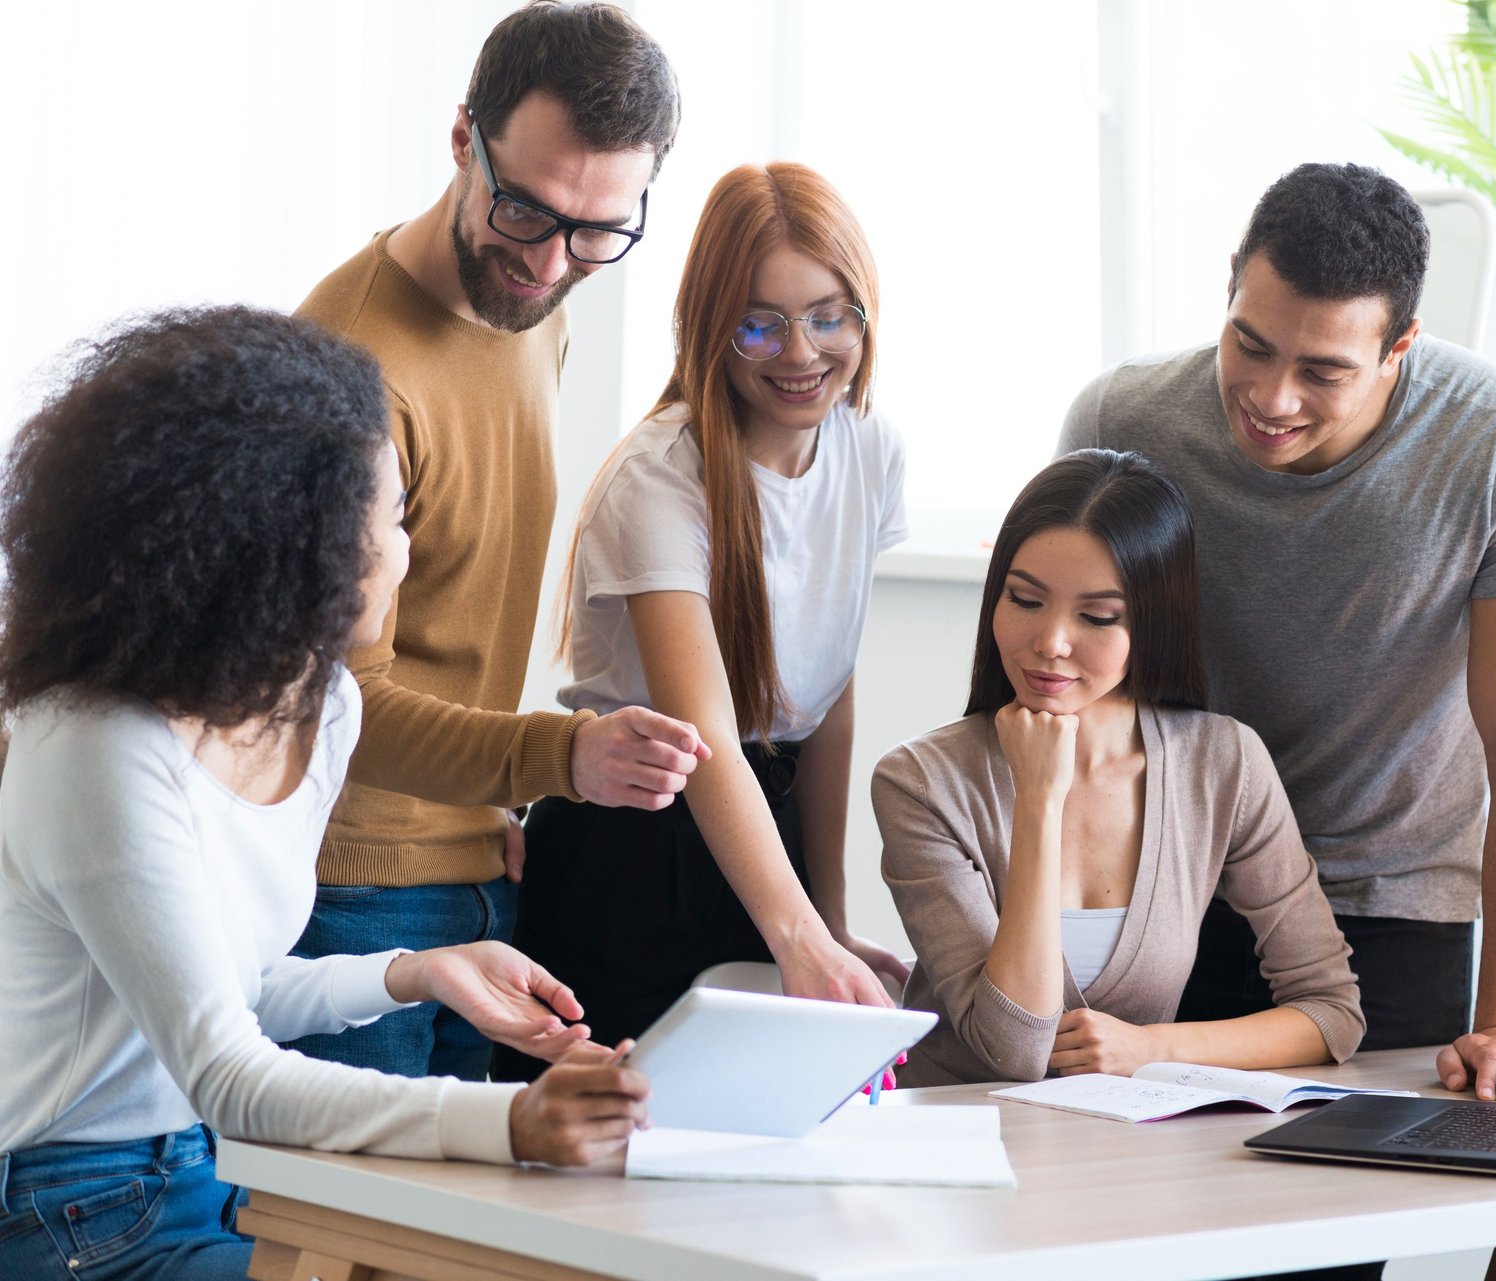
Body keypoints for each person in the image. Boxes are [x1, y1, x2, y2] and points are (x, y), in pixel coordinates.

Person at [0, 307, 651, 1281]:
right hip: (67, 1205)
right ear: (281, 545)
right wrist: (512, 1117)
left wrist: (420, 970)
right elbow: (224, 1069)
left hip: (216, 1168)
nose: (407, 550)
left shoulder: (317, 703)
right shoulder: (96, 744)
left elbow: (226, 989)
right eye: (389, 516)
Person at [1058, 163, 1496, 1104]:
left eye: (1323, 371)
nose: (1273, 398)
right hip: (1168, 890)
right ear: (1231, 283)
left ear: (1401, 347)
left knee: (1336, 1233)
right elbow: (1071, 673)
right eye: (1252, 344)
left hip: (1388, 907)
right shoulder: (1123, 418)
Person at [290, 1, 709, 1082]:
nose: (552, 259)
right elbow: (334, 699)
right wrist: (555, 757)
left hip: (481, 859)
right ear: (461, 136)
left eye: (598, 231)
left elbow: (467, 616)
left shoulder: (538, 302)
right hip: (349, 889)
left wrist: (499, 801)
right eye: (525, 211)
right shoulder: (348, 370)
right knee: (358, 1236)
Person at [495, 162, 909, 1078]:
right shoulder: (661, 475)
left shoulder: (870, 450)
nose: (800, 353)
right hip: (637, 845)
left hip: (766, 833)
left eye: (829, 315)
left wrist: (825, 915)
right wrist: (796, 931)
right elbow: (704, 730)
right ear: (713, 330)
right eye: (760, 323)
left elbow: (825, 695)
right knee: (615, 1152)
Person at [873, 449, 1363, 1088]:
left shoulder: (1223, 764)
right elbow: (1015, 1050)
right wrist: (1038, 802)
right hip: (961, 1141)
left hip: (1120, 1158)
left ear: (1153, 623)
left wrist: (1154, 1048)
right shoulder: (919, 782)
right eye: (1024, 600)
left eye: (1097, 616)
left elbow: (1331, 1016)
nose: (1050, 641)